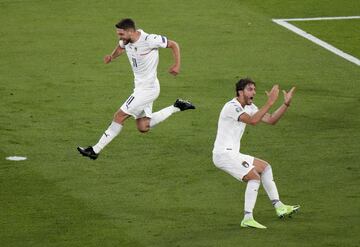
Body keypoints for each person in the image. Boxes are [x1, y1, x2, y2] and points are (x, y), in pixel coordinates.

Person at [78, 18, 195, 160]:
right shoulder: (126, 41)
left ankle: (95, 150)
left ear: (130, 32)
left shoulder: (150, 39)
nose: (119, 37)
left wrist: (177, 65)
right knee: (143, 126)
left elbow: (174, 45)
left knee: (119, 116)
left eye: (121, 34)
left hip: (148, 89)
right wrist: (112, 57)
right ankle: (177, 106)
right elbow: (121, 47)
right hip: (140, 87)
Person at [212, 78, 300, 229]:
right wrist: (270, 102)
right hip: (223, 155)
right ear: (240, 92)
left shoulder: (250, 106)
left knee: (265, 167)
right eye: (250, 89)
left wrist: (285, 104)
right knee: (254, 176)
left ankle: (279, 206)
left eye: (254, 89)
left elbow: (271, 119)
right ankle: (247, 218)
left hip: (233, 153)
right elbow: (253, 121)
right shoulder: (232, 106)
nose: (254, 92)